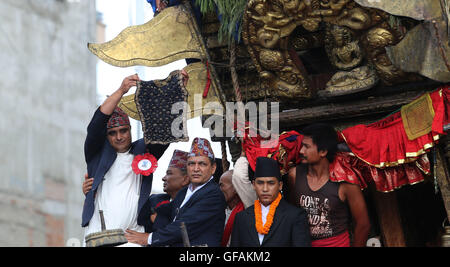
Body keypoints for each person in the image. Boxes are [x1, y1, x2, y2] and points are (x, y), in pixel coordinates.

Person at [81, 73, 186, 246]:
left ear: (130, 130)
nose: (119, 137)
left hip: (134, 238)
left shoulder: (143, 151)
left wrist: (179, 91)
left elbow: (165, 129)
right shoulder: (97, 154)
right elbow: (96, 124)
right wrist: (122, 90)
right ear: (106, 136)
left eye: (124, 130)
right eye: (112, 133)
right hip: (100, 238)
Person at [125, 137, 226, 247]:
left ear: (213, 168)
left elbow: (183, 226)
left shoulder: (213, 195)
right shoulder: (184, 192)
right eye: (191, 164)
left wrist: (148, 238)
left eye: (202, 164)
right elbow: (167, 212)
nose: (196, 169)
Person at [287, 123, 370, 247]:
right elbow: (293, 213)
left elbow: (363, 224)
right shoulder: (294, 176)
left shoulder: (346, 183)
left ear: (323, 151)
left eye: (306, 147)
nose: (301, 151)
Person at [230, 157, 311, 247]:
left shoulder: (295, 216)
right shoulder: (241, 218)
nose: (265, 189)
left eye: (271, 183)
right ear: (253, 185)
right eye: (260, 183)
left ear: (280, 185)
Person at [136, 149, 190, 233]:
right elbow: (141, 222)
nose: (163, 178)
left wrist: (158, 220)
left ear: (185, 180)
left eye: (169, 173)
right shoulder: (155, 200)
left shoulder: (192, 204)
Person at [218, 170, 244, 247]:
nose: (219, 189)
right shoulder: (219, 211)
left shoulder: (246, 212)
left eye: (221, 185)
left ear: (236, 187)